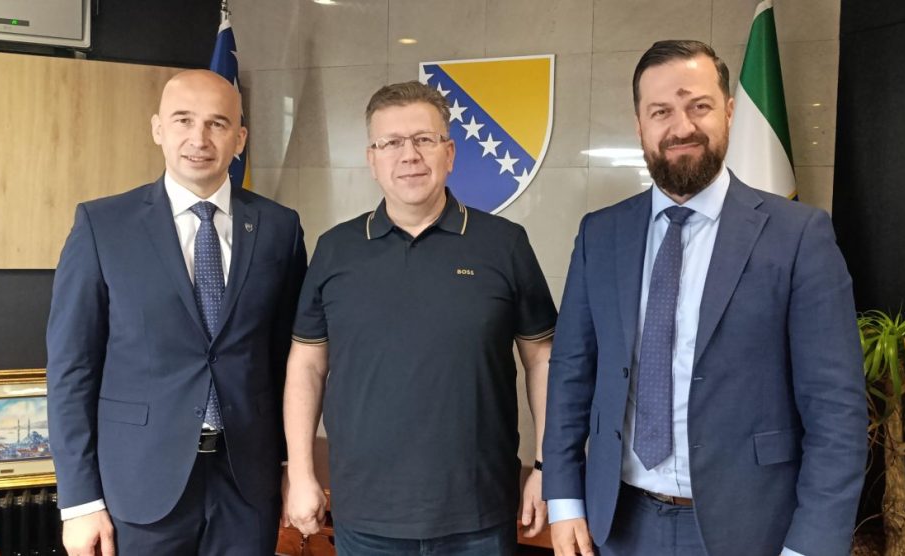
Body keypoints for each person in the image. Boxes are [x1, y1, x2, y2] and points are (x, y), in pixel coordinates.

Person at [542, 40, 867, 556]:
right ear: (639, 125)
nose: (682, 127)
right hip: (617, 523)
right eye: (661, 112)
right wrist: (563, 497)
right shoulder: (600, 235)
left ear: (729, 112)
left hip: (752, 529)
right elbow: (570, 374)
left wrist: (811, 546)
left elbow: (836, 411)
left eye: (699, 106)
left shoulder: (798, 236)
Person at [283, 81, 556, 555]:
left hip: (478, 515)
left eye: (424, 139)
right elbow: (306, 364)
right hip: (366, 514)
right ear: (372, 159)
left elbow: (543, 359)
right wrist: (302, 473)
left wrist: (547, 467)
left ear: (449, 153)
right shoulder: (335, 250)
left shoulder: (505, 244)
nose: (408, 155)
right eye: (390, 142)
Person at [46, 69, 307, 556]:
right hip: (139, 485)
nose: (199, 139)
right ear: (158, 129)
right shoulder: (103, 225)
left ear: (239, 138)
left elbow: (287, 363)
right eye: (183, 120)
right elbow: (71, 369)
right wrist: (80, 501)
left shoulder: (280, 228)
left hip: (247, 486)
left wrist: (293, 466)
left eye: (217, 123)